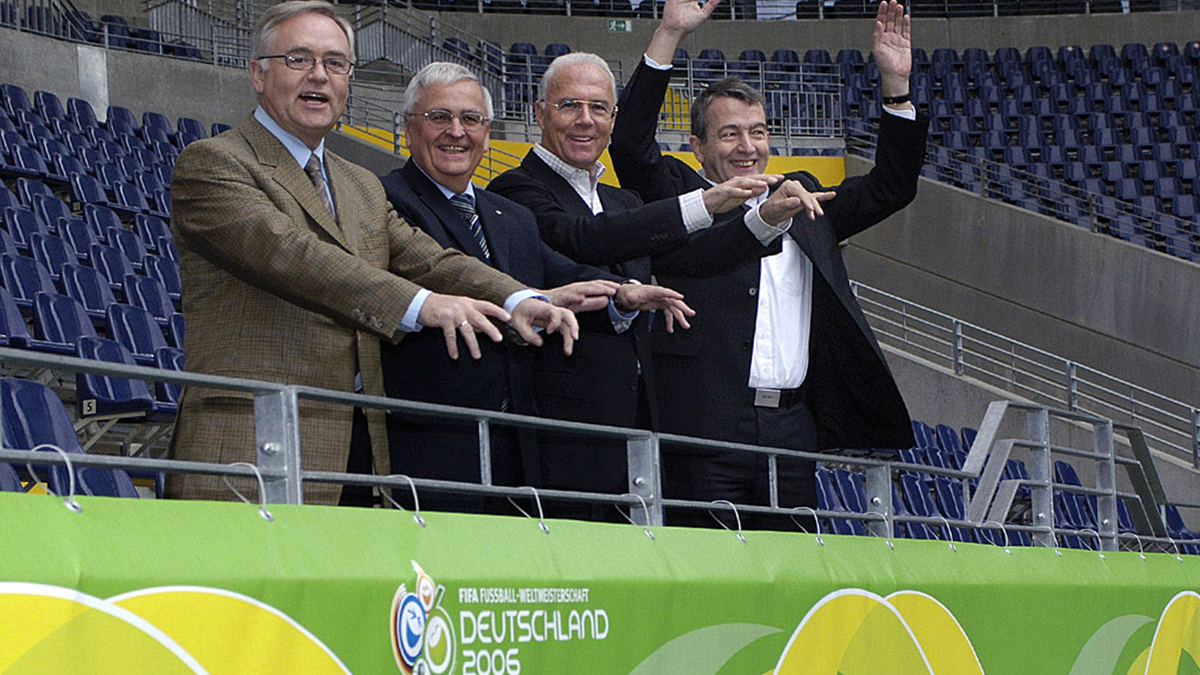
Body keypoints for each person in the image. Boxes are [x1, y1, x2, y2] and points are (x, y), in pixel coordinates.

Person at [167, 1, 577, 506]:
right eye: (299, 59)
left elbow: (430, 259)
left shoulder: (358, 182)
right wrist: (423, 304)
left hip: (358, 455)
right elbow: (293, 256)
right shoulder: (213, 163)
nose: (319, 76)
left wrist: (519, 300)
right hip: (247, 446)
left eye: (335, 63)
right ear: (258, 72)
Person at [609, 0, 927, 527]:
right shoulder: (679, 197)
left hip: (793, 429)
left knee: (788, 583)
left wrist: (896, 86)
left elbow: (893, 186)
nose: (747, 146)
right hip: (704, 431)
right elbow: (631, 144)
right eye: (730, 133)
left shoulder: (799, 200)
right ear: (697, 146)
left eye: (757, 131)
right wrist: (669, 33)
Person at [488, 51, 796, 514]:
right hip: (561, 434)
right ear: (539, 112)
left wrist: (765, 221)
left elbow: (692, 258)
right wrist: (704, 205)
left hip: (637, 432)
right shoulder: (514, 190)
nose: (585, 121)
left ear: (613, 118)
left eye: (599, 109)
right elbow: (584, 242)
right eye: (570, 105)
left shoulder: (623, 200)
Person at [378, 62, 692, 515]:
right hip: (431, 441)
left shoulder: (509, 215)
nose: (456, 132)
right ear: (409, 128)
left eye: (471, 120)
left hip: (520, 447)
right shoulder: (385, 200)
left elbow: (560, 275)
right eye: (439, 118)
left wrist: (621, 295)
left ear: (488, 134)